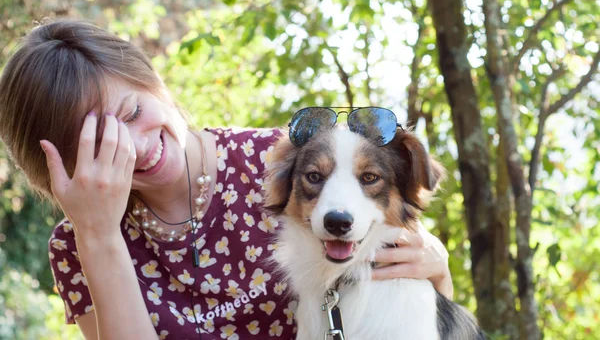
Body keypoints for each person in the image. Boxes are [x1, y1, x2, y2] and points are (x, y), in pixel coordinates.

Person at [0, 19, 454, 339]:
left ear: (151, 81)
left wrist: (439, 270)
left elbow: (415, 304)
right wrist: (98, 234)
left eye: (133, 113)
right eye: (100, 144)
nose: (137, 148)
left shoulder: (289, 168)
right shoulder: (76, 246)